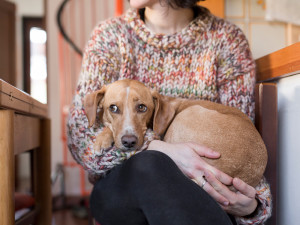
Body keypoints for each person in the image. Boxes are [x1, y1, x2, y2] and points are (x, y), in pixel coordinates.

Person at [67, 0, 272, 224]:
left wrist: (252, 205)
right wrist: (162, 149)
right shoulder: (110, 36)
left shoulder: (227, 40)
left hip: (204, 193)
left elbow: (240, 149)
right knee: (150, 163)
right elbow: (81, 139)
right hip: (121, 191)